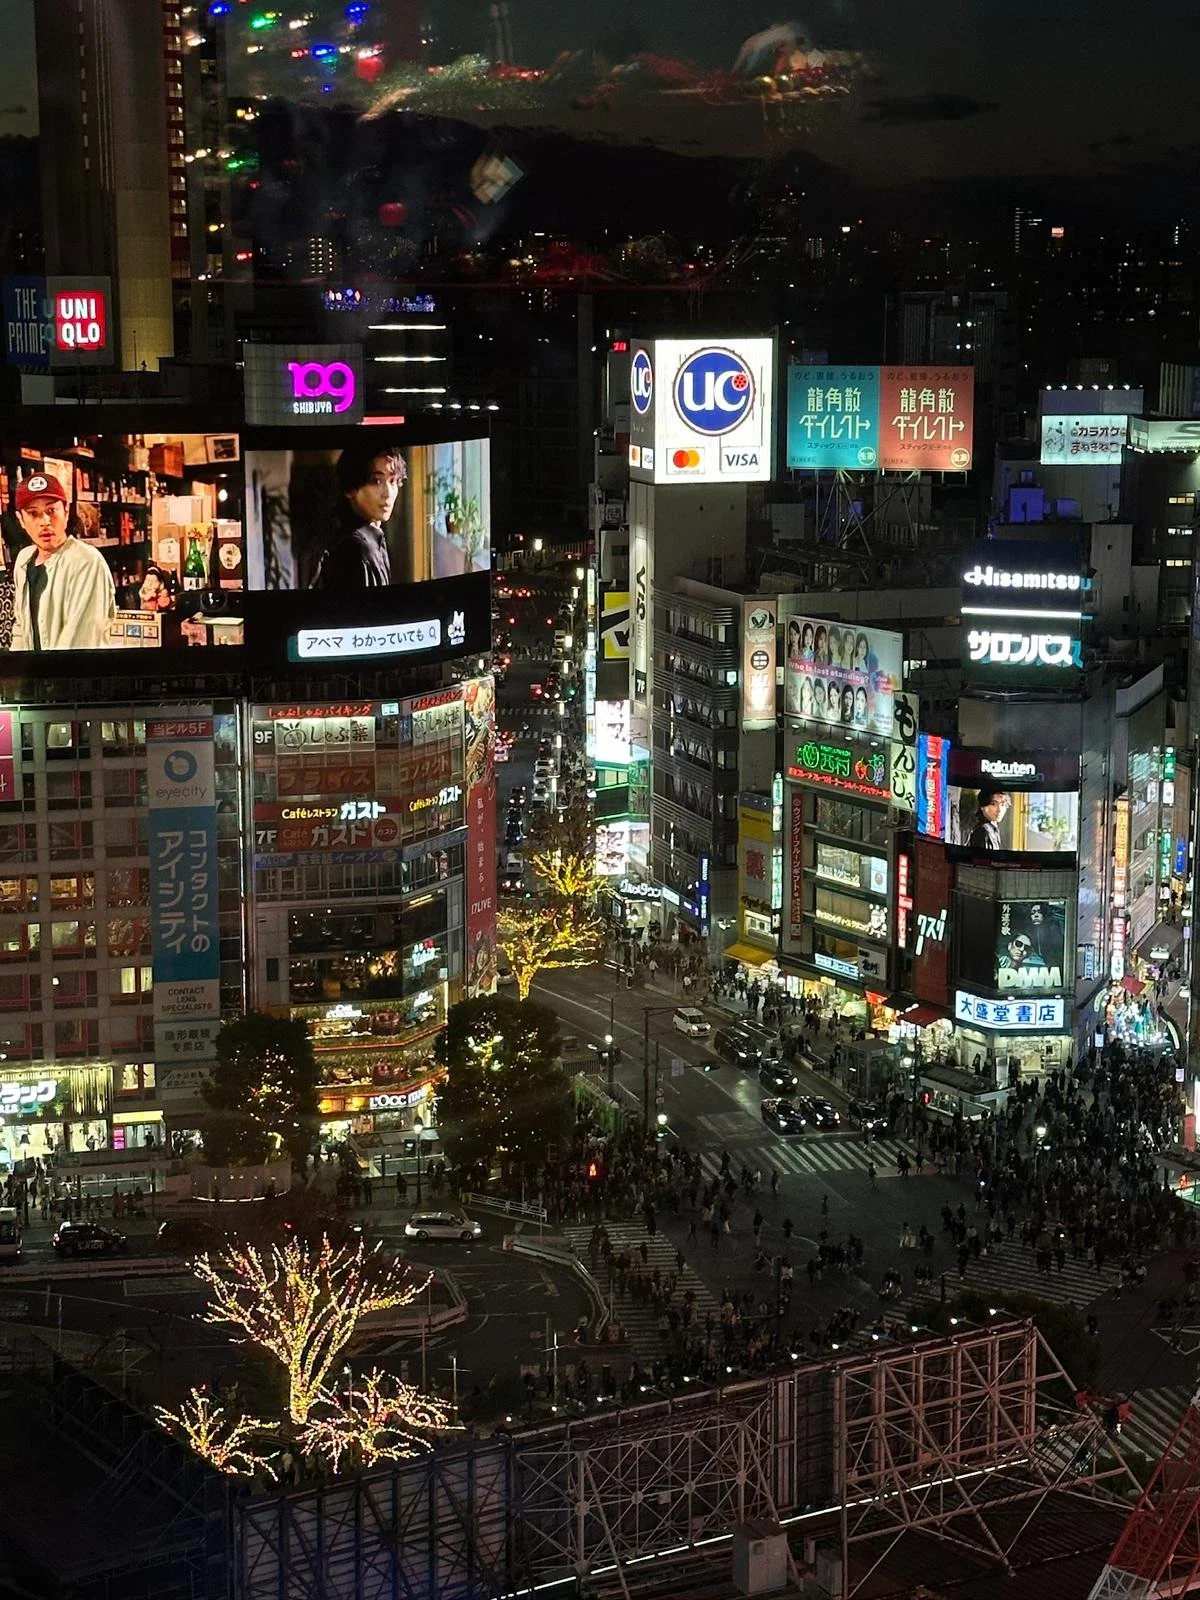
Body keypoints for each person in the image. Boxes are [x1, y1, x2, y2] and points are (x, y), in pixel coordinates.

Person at [10, 473, 116, 651]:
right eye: (33, 514)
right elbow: (21, 627)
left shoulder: (86, 562)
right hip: (36, 676)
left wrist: (48, 678)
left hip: (71, 675)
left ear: (66, 512)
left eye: (51, 511)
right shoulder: (24, 560)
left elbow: (80, 641)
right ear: (21, 519)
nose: (45, 522)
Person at [310, 442, 407, 588]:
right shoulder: (356, 549)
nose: (388, 493)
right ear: (350, 489)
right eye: (376, 481)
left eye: (393, 481)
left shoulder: (373, 537)